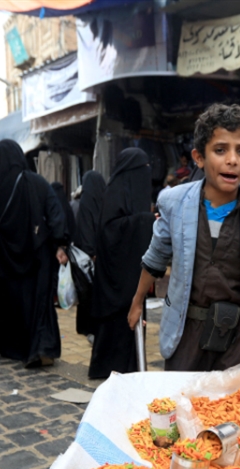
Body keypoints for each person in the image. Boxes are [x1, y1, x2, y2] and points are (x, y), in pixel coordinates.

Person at [127, 104, 240, 372]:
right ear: (199, 157)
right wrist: (136, 303)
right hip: (187, 329)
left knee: (234, 408)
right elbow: (155, 259)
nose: (232, 160)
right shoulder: (174, 204)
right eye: (220, 150)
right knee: (185, 405)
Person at [0, 139, 68, 368]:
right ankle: (41, 346)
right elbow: (55, 212)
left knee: (11, 301)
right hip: (37, 254)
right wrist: (60, 243)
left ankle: (15, 347)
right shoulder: (37, 182)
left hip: (5, 256)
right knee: (38, 301)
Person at [89, 149, 155, 378]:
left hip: (130, 273)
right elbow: (109, 232)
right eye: (142, 170)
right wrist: (145, 221)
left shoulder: (127, 192)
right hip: (115, 278)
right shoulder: (115, 192)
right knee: (117, 325)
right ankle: (109, 367)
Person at [71, 170, 107, 340]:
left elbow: (84, 229)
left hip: (86, 255)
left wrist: (89, 251)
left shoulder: (84, 202)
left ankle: (87, 328)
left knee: (86, 292)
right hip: (101, 254)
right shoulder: (106, 200)